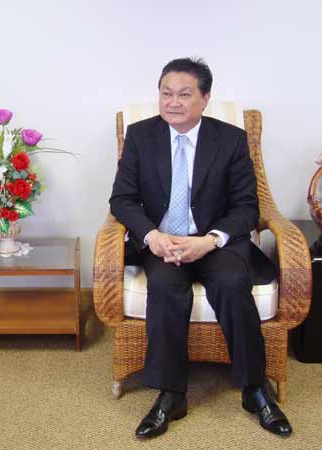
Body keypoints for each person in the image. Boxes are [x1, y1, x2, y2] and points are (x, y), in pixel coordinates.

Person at [109, 57, 292, 438]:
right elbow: (122, 200)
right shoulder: (141, 136)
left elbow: (247, 207)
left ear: (205, 99)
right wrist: (153, 236)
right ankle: (171, 394)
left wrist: (209, 240)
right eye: (166, 94)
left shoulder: (230, 139)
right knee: (165, 287)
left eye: (184, 94)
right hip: (163, 242)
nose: (173, 102)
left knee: (231, 282)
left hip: (215, 242)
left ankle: (254, 388)